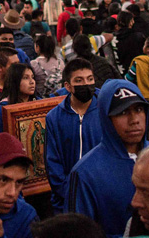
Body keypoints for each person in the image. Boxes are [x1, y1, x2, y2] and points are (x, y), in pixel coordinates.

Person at [68, 79, 149, 238]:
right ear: (107, 119)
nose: (134, 120)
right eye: (123, 112)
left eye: (139, 109)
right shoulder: (85, 173)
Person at [45, 59, 102, 214]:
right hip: (66, 200)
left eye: (90, 79)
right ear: (68, 86)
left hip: (100, 195)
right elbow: (52, 161)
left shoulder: (105, 111)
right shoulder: (54, 117)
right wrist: (68, 193)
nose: (86, 84)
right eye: (79, 80)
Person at [0, 63, 36, 134]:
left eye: (32, 77)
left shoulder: (39, 104)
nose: (32, 82)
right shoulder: (3, 110)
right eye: (26, 78)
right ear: (15, 81)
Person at [30, 32, 64, 99]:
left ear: (38, 47)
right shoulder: (60, 62)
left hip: (42, 99)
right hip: (59, 97)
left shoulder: (34, 64)